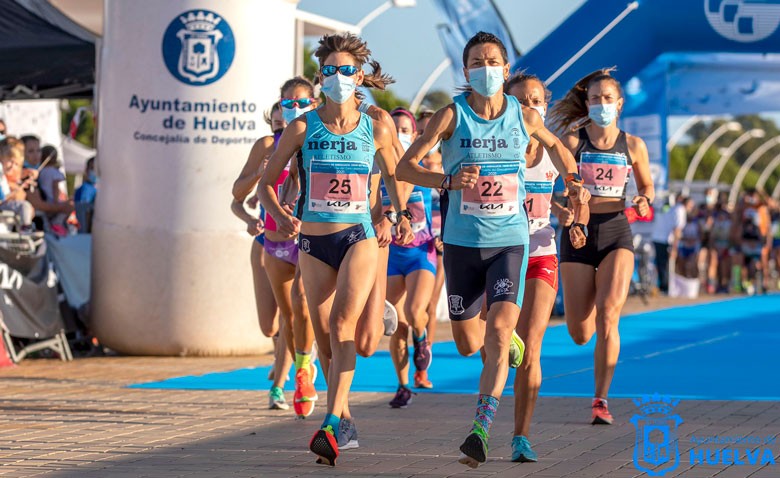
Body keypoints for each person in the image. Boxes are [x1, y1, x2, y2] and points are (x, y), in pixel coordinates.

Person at [397, 32, 586, 468]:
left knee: (500, 332)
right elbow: (406, 166)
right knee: (467, 344)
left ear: (505, 68)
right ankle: (496, 344)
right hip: (463, 245)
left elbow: (557, 148)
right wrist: (444, 181)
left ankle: (480, 430)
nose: (486, 68)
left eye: (493, 61)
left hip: (510, 240)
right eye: (477, 62)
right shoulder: (450, 115)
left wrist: (575, 184)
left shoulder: (522, 116)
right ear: (466, 72)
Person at [258, 32, 412, 467]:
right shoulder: (302, 127)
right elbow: (268, 183)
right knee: (325, 335)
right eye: (331, 71)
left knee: (344, 324)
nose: (340, 77)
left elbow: (398, 172)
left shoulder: (376, 125)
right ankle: (343, 419)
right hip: (311, 239)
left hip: (357, 237)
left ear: (359, 76)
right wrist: (282, 215)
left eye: (347, 70)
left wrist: (398, 214)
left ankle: (328, 423)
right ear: (320, 77)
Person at [548, 68, 655, 425]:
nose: (602, 104)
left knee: (610, 314)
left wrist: (643, 201)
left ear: (619, 104)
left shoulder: (634, 145)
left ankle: (600, 400)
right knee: (580, 333)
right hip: (578, 232)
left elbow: (647, 189)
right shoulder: (573, 141)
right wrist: (563, 211)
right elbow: (548, 187)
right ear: (587, 103)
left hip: (616, 231)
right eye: (595, 99)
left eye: (608, 99)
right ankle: (590, 305)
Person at [504, 72, 589, 462]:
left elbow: (576, 190)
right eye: (521, 100)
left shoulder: (556, 149)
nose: (530, 107)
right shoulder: (496, 147)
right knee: (486, 341)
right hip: (497, 251)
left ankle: (521, 436)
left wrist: (576, 218)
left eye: (537, 100)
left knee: (533, 347)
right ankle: (504, 334)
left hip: (540, 250)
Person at [261, 77, 320, 419]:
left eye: (302, 103)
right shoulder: (272, 144)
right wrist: (275, 213)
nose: (294, 109)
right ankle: (299, 368)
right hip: (275, 240)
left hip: (314, 236)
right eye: (288, 103)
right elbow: (250, 193)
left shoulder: (325, 138)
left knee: (304, 305)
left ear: (314, 102)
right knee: (284, 319)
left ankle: (297, 374)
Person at [231, 102, 290, 410]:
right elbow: (236, 199)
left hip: (298, 243)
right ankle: (287, 350)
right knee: (270, 326)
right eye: (277, 125)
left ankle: (280, 385)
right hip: (265, 242)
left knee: (292, 316)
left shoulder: (309, 143)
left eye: (286, 124)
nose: (282, 129)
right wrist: (258, 173)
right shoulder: (267, 148)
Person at [385, 107, 437, 407]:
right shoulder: (377, 171)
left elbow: (444, 198)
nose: (400, 135)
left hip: (421, 251)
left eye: (405, 130)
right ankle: (403, 385)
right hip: (391, 254)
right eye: (395, 130)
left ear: (415, 135)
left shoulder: (423, 170)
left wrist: (442, 232)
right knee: (395, 323)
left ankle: (422, 339)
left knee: (417, 312)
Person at [417, 109, 445, 346]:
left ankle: (424, 359)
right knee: (412, 307)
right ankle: (415, 342)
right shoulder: (410, 163)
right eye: (422, 130)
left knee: (430, 304)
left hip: (441, 240)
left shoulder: (448, 159)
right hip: (416, 240)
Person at [651, 193, 687, 294]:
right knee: (662, 265)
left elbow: (677, 229)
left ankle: (668, 287)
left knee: (666, 265)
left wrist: (674, 247)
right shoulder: (676, 208)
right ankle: (665, 287)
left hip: (665, 240)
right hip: (662, 240)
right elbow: (677, 230)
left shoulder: (677, 208)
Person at [74, 157, 98, 233]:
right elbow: (85, 213)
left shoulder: (95, 188)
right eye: (92, 168)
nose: (95, 171)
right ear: (86, 170)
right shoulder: (86, 189)